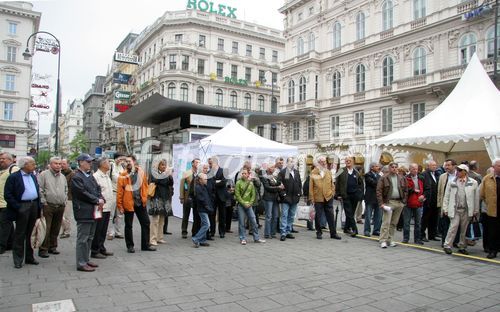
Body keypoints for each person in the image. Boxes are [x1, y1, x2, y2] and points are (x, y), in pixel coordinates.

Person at [4, 156, 41, 269]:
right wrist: (18, 207)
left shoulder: (33, 176)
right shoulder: (14, 177)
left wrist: (39, 206)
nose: (34, 166)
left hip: (33, 204)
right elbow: (8, 194)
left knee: (30, 233)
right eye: (32, 163)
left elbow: (37, 191)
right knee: (20, 233)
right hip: (22, 205)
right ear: (25, 165)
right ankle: (18, 259)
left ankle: (29, 257)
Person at [117, 155, 156, 253]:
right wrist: (120, 206)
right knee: (129, 225)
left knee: (146, 222)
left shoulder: (141, 172)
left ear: (134, 162)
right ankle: (130, 246)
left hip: (140, 202)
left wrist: (145, 197)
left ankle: (145, 245)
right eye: (126, 161)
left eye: (129, 161)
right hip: (128, 203)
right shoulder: (122, 175)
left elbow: (145, 186)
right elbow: (120, 192)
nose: (127, 163)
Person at [442, 164, 479, 255]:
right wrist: (445, 208)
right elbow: (446, 196)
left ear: (465, 172)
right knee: (453, 227)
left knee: (464, 229)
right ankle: (447, 245)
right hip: (455, 208)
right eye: (457, 170)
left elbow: (476, 197)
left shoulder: (473, 182)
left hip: (467, 209)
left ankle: (462, 246)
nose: (457, 172)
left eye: (459, 170)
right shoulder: (452, 182)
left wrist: (475, 210)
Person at [37, 157, 68, 258]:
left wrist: (64, 200)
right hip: (48, 205)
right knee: (46, 227)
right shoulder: (43, 175)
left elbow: (66, 189)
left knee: (56, 227)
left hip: (60, 205)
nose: (58, 166)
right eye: (56, 163)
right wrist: (44, 202)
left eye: (60, 164)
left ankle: (52, 247)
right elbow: (40, 188)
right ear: (50, 164)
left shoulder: (62, 176)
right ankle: (43, 249)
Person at [309, 156, 342, 240]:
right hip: (318, 197)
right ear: (318, 163)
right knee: (318, 216)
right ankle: (319, 232)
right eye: (322, 162)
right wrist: (312, 198)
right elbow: (311, 187)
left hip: (328, 197)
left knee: (331, 215)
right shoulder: (314, 172)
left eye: (325, 162)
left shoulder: (328, 172)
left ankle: (333, 233)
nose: (324, 163)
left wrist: (332, 193)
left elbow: (332, 184)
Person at [376, 162, 408, 248]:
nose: (394, 168)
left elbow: (405, 190)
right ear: (389, 168)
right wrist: (381, 204)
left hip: (399, 202)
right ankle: (383, 240)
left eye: (395, 167)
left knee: (394, 223)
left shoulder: (401, 178)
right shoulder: (384, 178)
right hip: (388, 202)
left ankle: (390, 239)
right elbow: (379, 191)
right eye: (392, 167)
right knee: (386, 222)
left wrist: (403, 202)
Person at [91, 158, 114, 259]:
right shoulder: (96, 176)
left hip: (107, 207)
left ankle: (101, 247)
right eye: (108, 162)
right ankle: (95, 250)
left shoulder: (106, 175)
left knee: (104, 229)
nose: (109, 164)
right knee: (98, 229)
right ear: (102, 164)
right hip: (99, 207)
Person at [235, 168, 265, 245]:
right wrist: (244, 203)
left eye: (245, 173)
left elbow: (253, 195)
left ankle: (256, 238)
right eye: (242, 173)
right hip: (241, 206)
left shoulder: (251, 183)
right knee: (242, 223)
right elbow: (237, 195)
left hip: (249, 205)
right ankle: (243, 238)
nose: (244, 175)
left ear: (248, 174)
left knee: (254, 221)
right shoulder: (238, 183)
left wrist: (250, 203)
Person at [335, 156, 364, 237]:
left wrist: (360, 193)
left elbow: (360, 183)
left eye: (349, 161)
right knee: (349, 213)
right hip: (345, 195)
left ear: (353, 162)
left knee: (351, 213)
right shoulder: (340, 170)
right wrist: (337, 194)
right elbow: (335, 182)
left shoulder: (356, 171)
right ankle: (355, 229)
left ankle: (346, 228)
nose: (348, 162)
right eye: (346, 161)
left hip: (354, 195)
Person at [150, 159, 173, 245]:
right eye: (162, 165)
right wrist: (165, 174)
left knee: (162, 219)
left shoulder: (166, 174)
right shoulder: (155, 173)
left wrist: (170, 176)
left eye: (165, 165)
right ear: (158, 166)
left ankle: (160, 237)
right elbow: (157, 181)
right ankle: (152, 239)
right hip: (157, 198)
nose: (164, 167)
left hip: (165, 198)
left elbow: (170, 183)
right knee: (155, 220)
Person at [480, 158, 500, 259]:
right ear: (494, 167)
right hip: (492, 210)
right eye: (499, 166)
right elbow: (482, 194)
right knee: (492, 231)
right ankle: (492, 250)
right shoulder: (487, 178)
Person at [278, 157, 302, 241]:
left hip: (295, 197)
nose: (293, 163)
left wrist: (299, 193)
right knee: (284, 215)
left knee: (291, 216)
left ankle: (288, 231)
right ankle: (283, 233)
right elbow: (280, 185)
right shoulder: (283, 172)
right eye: (291, 161)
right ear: (287, 163)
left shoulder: (296, 172)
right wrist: (283, 195)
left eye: (294, 162)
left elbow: (299, 183)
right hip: (286, 198)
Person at [0, 152, 19, 254]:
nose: (1, 160)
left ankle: (1, 246)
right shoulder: (4, 170)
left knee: (4, 225)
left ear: (10, 160)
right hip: (2, 202)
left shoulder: (14, 169)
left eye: (3, 159)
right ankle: (10, 244)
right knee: (8, 225)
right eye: (0, 158)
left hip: (6, 203)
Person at [437, 159, 458, 246]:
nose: (446, 167)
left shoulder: (459, 175)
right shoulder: (443, 176)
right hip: (445, 203)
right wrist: (439, 204)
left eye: (448, 165)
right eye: (445, 165)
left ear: (454, 166)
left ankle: (455, 241)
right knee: (445, 223)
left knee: (455, 224)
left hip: (456, 204)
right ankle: (445, 241)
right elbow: (439, 191)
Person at [403, 163, 425, 244]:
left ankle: (417, 239)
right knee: (406, 222)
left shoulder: (422, 178)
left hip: (419, 203)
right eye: (413, 169)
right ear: (409, 169)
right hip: (408, 203)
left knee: (418, 222)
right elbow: (404, 189)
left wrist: (424, 195)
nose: (415, 170)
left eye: (416, 169)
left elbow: (426, 189)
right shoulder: (405, 178)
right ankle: (406, 238)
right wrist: (413, 190)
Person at [179, 158, 200, 239]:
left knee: (196, 215)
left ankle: (194, 231)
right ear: (192, 164)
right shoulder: (186, 173)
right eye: (196, 162)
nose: (198, 164)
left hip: (196, 198)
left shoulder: (199, 173)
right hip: (188, 197)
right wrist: (181, 197)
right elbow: (181, 186)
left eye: (199, 162)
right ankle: (184, 231)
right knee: (186, 215)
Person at [207, 157, 228, 238]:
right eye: (209, 163)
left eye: (210, 163)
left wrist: (214, 182)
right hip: (212, 197)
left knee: (222, 215)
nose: (209, 165)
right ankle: (212, 231)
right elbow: (209, 184)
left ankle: (222, 232)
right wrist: (216, 181)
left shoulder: (224, 170)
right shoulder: (209, 172)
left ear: (215, 163)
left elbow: (223, 182)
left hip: (222, 196)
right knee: (212, 215)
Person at [108, 153, 127, 240]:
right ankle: (110, 233)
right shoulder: (111, 166)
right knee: (111, 214)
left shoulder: (122, 167)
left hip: (121, 193)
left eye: (122, 159)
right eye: (119, 158)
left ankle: (118, 232)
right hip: (112, 192)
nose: (120, 160)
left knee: (120, 214)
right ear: (115, 158)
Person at [261, 164, 283, 238]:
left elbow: (277, 184)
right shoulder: (264, 177)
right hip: (268, 198)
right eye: (271, 167)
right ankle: (267, 234)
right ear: (268, 168)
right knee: (269, 216)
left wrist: (279, 185)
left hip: (275, 198)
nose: (273, 169)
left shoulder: (274, 177)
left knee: (276, 216)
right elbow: (267, 187)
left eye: (273, 167)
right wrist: (278, 187)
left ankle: (273, 233)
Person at [192, 173, 213, 247]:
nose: (206, 180)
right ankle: (196, 238)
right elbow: (201, 199)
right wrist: (207, 207)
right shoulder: (198, 187)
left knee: (204, 224)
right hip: (202, 209)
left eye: (206, 179)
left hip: (205, 209)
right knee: (207, 225)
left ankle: (202, 240)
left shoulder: (203, 186)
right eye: (205, 179)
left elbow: (207, 197)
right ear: (200, 180)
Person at [421, 160, 440, 242]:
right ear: (428, 166)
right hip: (427, 200)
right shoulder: (424, 174)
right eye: (432, 165)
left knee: (434, 218)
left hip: (435, 200)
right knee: (425, 218)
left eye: (435, 165)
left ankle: (432, 234)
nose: (434, 167)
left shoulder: (436, 175)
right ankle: (422, 235)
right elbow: (423, 187)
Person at [364, 162, 381, 237]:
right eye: (376, 166)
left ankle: (376, 230)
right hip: (370, 198)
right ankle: (367, 230)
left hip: (378, 198)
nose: (378, 168)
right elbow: (374, 183)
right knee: (368, 215)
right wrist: (380, 184)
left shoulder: (379, 176)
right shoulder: (368, 175)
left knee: (378, 215)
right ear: (372, 168)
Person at [59, 158, 74, 238]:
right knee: (61, 215)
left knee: (66, 216)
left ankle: (67, 231)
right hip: (60, 197)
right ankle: (64, 230)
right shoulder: (60, 173)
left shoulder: (72, 174)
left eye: (64, 164)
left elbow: (72, 187)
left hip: (69, 197)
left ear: (68, 164)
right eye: (61, 163)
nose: (62, 165)